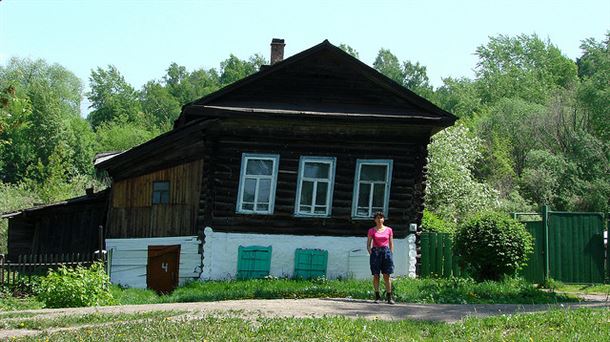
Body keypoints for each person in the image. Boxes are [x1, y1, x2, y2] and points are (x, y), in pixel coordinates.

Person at [367, 211, 395, 304]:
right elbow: (368, 244)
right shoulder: (371, 230)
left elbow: (391, 243)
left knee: (387, 275)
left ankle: (389, 297)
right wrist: (371, 252)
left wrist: (390, 253)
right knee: (376, 275)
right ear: (375, 220)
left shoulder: (389, 230)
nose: (379, 220)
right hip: (376, 252)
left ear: (383, 219)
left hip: (386, 252)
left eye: (381, 217)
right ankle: (377, 296)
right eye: (377, 218)